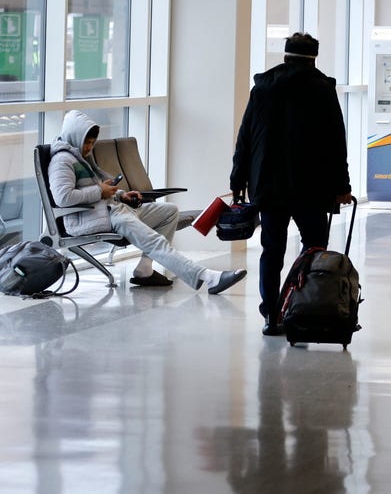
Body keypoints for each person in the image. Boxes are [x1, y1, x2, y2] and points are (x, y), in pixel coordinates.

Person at [231, 33, 352, 336]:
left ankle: (272, 315)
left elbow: (245, 136)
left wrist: (237, 178)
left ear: (285, 56)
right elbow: (336, 143)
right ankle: (305, 309)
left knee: (272, 249)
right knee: (314, 250)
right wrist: (342, 186)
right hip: (311, 187)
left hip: (269, 186)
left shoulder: (263, 88)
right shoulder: (323, 89)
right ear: (314, 57)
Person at [48, 110, 247, 293]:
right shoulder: (62, 161)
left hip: (112, 209)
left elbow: (99, 191)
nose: (89, 147)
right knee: (154, 241)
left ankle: (144, 269)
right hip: (95, 217)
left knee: (169, 211)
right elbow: (63, 197)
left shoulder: (81, 158)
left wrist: (120, 195)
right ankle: (208, 277)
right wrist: (100, 191)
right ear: (74, 136)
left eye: (92, 143)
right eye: (86, 143)